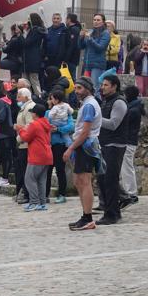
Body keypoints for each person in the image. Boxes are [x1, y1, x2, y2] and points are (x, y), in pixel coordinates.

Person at [63, 77, 102, 231]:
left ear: (87, 89)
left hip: (85, 146)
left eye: (79, 88)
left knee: (84, 181)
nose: (77, 91)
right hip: (84, 145)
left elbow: (85, 132)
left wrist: (71, 148)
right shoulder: (87, 104)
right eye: (76, 88)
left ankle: (88, 217)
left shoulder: (89, 106)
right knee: (79, 181)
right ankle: (85, 215)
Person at [95, 75, 128, 225]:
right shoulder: (106, 101)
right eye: (102, 85)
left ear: (114, 86)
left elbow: (114, 124)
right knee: (103, 179)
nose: (102, 87)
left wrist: (95, 119)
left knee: (110, 180)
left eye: (106, 85)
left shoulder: (119, 102)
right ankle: (111, 210)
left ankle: (112, 214)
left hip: (115, 146)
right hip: (105, 144)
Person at [16, 104, 53, 211]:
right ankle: (42, 203)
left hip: (37, 155)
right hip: (47, 155)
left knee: (29, 179)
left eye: (32, 112)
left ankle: (34, 202)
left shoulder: (35, 124)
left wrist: (20, 129)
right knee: (41, 180)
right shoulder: (45, 123)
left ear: (35, 114)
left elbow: (26, 137)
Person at [46, 91, 74, 204]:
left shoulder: (67, 112)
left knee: (60, 169)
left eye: (51, 98)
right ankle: (45, 194)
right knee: (47, 170)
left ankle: (62, 194)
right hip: (49, 144)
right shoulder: (48, 113)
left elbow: (71, 127)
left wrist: (58, 129)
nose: (50, 101)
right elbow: (43, 125)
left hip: (60, 145)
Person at [119, 85, 143, 209]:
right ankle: (130, 192)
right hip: (129, 141)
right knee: (127, 167)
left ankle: (131, 193)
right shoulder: (135, 107)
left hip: (128, 141)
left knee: (127, 168)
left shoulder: (133, 110)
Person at [14, 88, 36, 204]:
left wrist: (19, 134)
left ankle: (27, 194)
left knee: (26, 171)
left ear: (26, 97)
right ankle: (22, 192)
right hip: (22, 143)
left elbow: (29, 127)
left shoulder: (29, 108)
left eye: (19, 96)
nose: (17, 99)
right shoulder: (24, 107)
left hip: (26, 144)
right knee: (21, 170)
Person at [80, 13, 111, 92]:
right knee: (86, 89)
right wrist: (81, 37)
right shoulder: (91, 31)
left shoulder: (105, 34)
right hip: (87, 64)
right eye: (94, 20)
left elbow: (100, 48)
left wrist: (90, 39)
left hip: (97, 65)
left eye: (98, 20)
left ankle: (97, 103)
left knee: (95, 88)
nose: (96, 22)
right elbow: (81, 46)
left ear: (103, 22)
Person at [23, 13, 47, 96]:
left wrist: (24, 34)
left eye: (29, 19)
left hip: (31, 58)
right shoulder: (40, 30)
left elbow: (27, 43)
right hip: (35, 57)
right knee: (32, 79)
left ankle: (38, 96)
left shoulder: (35, 31)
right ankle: (36, 96)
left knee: (32, 80)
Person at [64, 13, 82, 81]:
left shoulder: (73, 30)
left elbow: (72, 45)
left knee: (71, 78)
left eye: (66, 19)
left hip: (71, 58)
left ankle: (74, 91)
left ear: (69, 20)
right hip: (73, 58)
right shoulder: (75, 29)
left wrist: (66, 58)